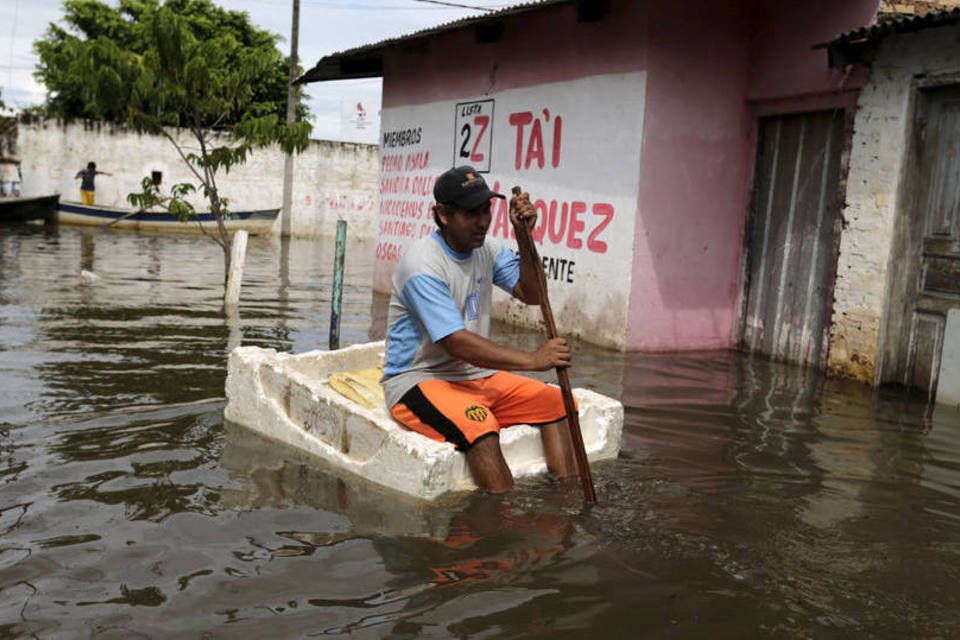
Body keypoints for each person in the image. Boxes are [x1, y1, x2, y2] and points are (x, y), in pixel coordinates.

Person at [380, 165, 577, 493]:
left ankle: (566, 503)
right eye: (471, 213)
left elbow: (532, 293)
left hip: (473, 376)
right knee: (481, 427)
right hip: (418, 380)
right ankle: (503, 522)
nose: (483, 221)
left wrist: (524, 237)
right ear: (443, 214)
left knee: (557, 403)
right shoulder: (422, 264)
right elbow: (457, 343)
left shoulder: (487, 248)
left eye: (486, 210)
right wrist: (533, 360)